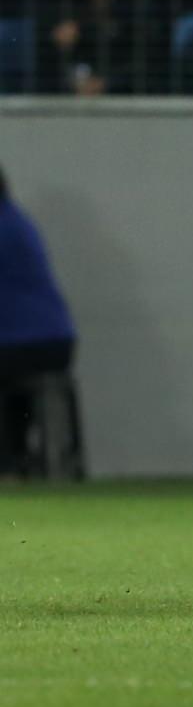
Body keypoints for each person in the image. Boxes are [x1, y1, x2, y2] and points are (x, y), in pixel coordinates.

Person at [0, 165, 77, 475]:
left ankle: (9, 459)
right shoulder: (16, 220)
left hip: (27, 343)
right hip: (52, 341)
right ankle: (16, 454)